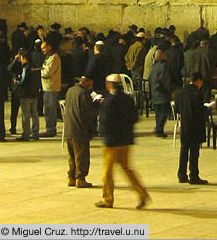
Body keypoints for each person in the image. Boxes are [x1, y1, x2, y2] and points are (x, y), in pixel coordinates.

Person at [95, 73, 150, 209]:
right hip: (126, 140)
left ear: (109, 85)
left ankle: (108, 199)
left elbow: (104, 122)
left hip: (112, 142)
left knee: (107, 171)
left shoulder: (108, 101)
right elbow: (135, 118)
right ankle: (142, 194)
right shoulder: (127, 99)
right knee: (127, 169)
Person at [64, 75, 99, 188]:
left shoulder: (70, 90)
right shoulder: (84, 93)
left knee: (72, 155)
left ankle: (71, 177)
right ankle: (80, 178)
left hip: (69, 127)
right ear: (87, 83)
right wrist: (97, 104)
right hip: (80, 128)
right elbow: (88, 111)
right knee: (81, 155)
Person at [176, 71, 207, 184]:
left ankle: (181, 174)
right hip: (195, 125)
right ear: (198, 81)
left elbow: (177, 109)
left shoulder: (180, 92)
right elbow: (200, 110)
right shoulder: (197, 93)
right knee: (194, 152)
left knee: (184, 150)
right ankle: (193, 175)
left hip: (185, 124)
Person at [13, 48, 40, 141]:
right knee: (35, 114)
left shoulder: (26, 67)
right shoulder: (35, 67)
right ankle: (36, 133)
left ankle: (26, 134)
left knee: (26, 115)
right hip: (35, 93)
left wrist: (16, 81)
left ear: (25, 58)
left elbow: (23, 80)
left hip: (26, 94)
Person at [148, 49, 173, 137]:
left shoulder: (154, 67)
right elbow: (165, 80)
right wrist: (170, 90)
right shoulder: (164, 66)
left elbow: (150, 78)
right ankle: (159, 129)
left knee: (158, 113)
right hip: (162, 93)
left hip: (155, 92)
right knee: (163, 112)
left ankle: (158, 128)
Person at [40, 39, 61, 137]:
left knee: (51, 109)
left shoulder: (54, 57)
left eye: (44, 47)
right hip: (47, 87)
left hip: (51, 87)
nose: (43, 50)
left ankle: (51, 129)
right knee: (47, 109)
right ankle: (49, 128)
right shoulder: (48, 57)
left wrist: (38, 72)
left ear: (49, 47)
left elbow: (47, 72)